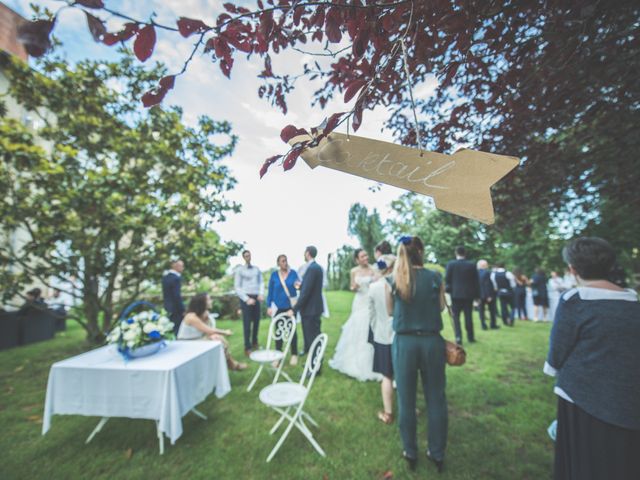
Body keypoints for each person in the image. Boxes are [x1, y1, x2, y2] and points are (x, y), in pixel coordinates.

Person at [544, 237, 640, 480]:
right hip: (628, 397)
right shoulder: (633, 301)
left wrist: (552, 368)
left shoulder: (575, 300)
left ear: (572, 269)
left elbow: (558, 351)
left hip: (581, 398)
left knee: (584, 462)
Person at [386, 236, 447, 472]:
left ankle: (410, 451)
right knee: (436, 399)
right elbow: (441, 307)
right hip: (432, 342)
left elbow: (391, 311)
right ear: (420, 251)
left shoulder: (394, 279)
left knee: (407, 400)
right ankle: (437, 452)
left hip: (405, 343)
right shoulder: (435, 277)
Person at [329, 248, 381, 381]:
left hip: (370, 301)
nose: (365, 258)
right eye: (362, 256)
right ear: (357, 259)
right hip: (359, 302)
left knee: (370, 329)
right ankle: (352, 362)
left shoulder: (374, 269)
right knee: (357, 328)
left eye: (366, 255)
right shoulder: (354, 271)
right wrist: (355, 287)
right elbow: (352, 286)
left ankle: (373, 363)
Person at [178, 293, 247, 370]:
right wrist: (225, 332)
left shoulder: (204, 313)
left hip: (197, 339)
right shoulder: (191, 317)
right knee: (220, 340)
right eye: (209, 299)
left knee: (219, 339)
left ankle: (228, 364)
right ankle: (231, 364)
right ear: (202, 303)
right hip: (187, 343)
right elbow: (209, 330)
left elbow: (210, 329)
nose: (211, 301)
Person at [369, 254, 396, 425]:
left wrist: (376, 329)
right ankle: (410, 408)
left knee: (387, 375)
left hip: (382, 336)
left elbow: (371, 314)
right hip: (400, 335)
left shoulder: (374, 287)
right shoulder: (399, 284)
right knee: (403, 375)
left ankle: (388, 413)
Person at [291, 246, 324, 367]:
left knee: (313, 340)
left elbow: (306, 293)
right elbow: (307, 287)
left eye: (305, 253)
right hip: (312, 309)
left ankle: (314, 367)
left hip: (311, 310)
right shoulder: (316, 267)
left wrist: (294, 308)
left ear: (308, 253)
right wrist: (301, 286)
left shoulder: (312, 268)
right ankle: (313, 363)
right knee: (312, 338)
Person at [266, 254, 300, 366]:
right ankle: (278, 356)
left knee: (292, 331)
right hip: (278, 308)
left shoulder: (293, 273)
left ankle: (294, 354)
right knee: (278, 332)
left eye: (286, 260)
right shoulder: (274, 275)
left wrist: (298, 285)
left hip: (290, 307)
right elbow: (270, 291)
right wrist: (269, 306)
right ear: (278, 264)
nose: (285, 262)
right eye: (283, 261)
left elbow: (298, 286)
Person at [445, 246, 480, 344]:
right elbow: (476, 282)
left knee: (456, 317)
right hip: (469, 295)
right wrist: (477, 296)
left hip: (455, 295)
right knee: (468, 316)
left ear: (456, 253)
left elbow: (447, 279)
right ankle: (470, 337)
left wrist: (448, 291)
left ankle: (458, 337)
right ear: (465, 253)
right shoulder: (472, 265)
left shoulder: (451, 264)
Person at [234, 250, 264, 356]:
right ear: (243, 257)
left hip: (256, 297)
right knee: (247, 323)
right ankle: (247, 347)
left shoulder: (257, 269)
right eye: (246, 256)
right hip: (245, 298)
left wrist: (261, 294)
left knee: (256, 321)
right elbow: (237, 287)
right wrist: (247, 299)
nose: (248, 257)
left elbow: (261, 282)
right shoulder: (240, 270)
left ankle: (255, 342)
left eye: (249, 255)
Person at [162, 259, 185, 335]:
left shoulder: (165, 277)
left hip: (167, 307)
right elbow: (176, 296)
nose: (182, 268)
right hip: (176, 309)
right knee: (177, 329)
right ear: (175, 266)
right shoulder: (176, 278)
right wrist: (182, 309)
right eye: (181, 266)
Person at [477, 260, 498, 330]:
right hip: (487, 294)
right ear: (484, 265)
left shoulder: (476, 273)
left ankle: (483, 325)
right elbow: (487, 285)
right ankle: (493, 324)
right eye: (486, 264)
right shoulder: (487, 273)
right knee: (492, 310)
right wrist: (489, 295)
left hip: (479, 295)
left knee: (481, 311)